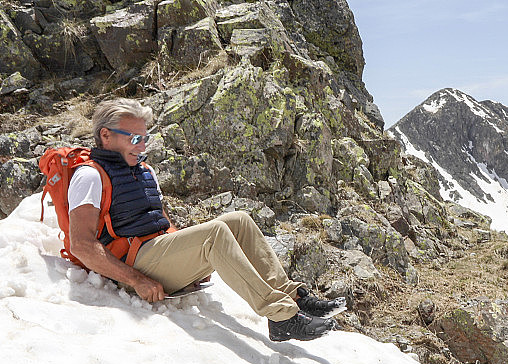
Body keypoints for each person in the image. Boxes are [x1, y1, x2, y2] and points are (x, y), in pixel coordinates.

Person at [68, 98, 341, 342]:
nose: (142, 146)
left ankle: (293, 297)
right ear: (106, 135)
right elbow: (81, 245)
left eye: (145, 138)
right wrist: (137, 280)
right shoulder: (89, 176)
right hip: (130, 267)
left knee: (238, 220)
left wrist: (189, 258)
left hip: (153, 254)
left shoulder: (144, 170)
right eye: (134, 138)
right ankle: (281, 317)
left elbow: (161, 221)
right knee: (216, 234)